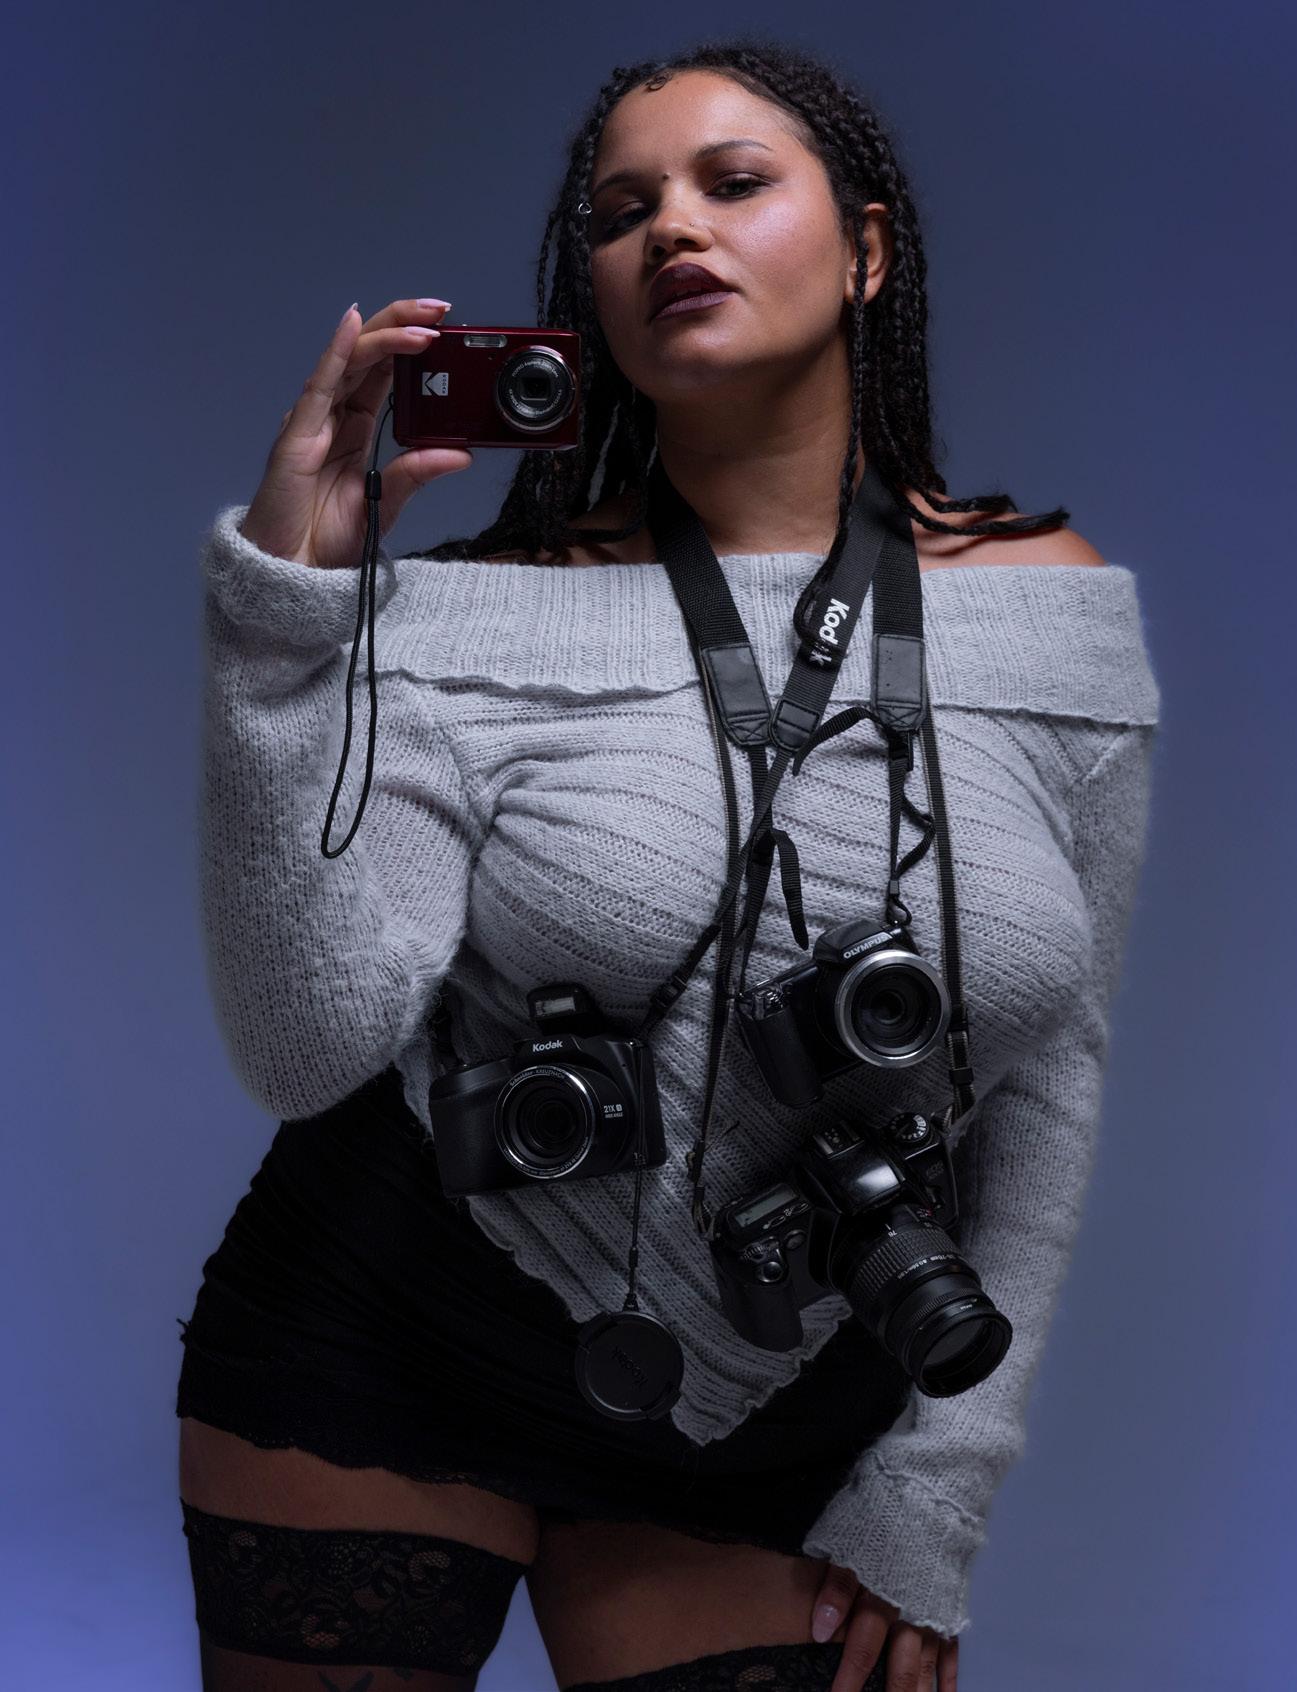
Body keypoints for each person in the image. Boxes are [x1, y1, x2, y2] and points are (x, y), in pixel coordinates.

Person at [174, 36, 1160, 1692]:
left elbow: (1048, 1084)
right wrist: (288, 617)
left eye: (732, 182)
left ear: (865, 249)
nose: (671, 231)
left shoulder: (1055, 618)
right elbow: (303, 1046)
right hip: (389, 1327)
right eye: (621, 214)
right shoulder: (475, 617)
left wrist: (939, 1485)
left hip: (793, 1377)